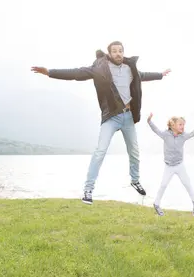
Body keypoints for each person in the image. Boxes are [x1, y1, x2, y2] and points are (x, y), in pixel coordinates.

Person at [31, 41, 171, 204]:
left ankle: (135, 180)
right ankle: (88, 190)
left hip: (128, 117)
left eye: (120, 51)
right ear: (109, 53)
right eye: (114, 51)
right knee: (100, 152)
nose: (118, 54)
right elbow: (76, 73)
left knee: (134, 152)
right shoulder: (100, 69)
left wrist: (160, 75)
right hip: (111, 116)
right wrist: (49, 72)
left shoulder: (130, 69)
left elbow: (144, 76)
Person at [147, 113, 194, 217]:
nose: (182, 127)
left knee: (187, 184)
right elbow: (156, 130)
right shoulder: (165, 135)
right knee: (163, 185)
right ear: (173, 125)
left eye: (183, 125)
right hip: (168, 166)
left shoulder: (183, 136)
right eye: (180, 124)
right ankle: (156, 204)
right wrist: (149, 121)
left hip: (179, 166)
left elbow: (193, 132)